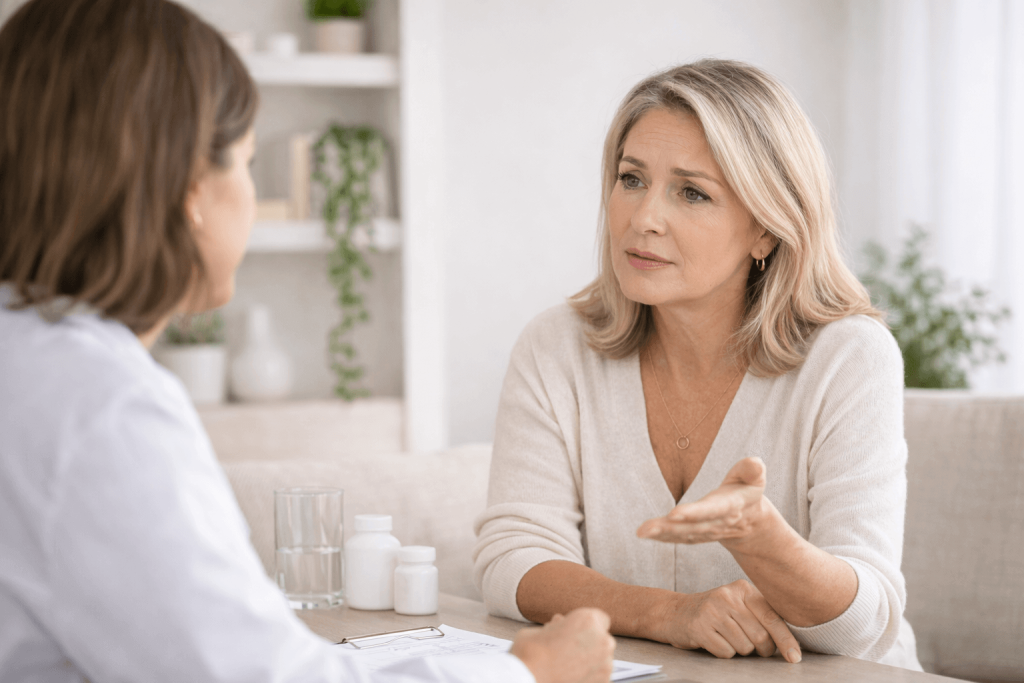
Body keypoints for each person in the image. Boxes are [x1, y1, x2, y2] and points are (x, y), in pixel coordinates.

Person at [0, 1, 616, 682]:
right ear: (190, 188)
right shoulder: (98, 409)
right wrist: (527, 673)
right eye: (247, 160)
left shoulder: (35, 367)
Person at [473, 59, 923, 670]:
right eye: (631, 179)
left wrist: (758, 537)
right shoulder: (556, 347)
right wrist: (669, 613)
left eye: (692, 192)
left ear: (766, 229)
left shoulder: (849, 357)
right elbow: (511, 561)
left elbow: (862, 624)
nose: (643, 218)